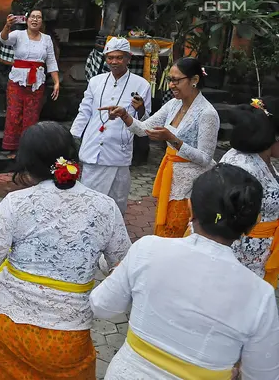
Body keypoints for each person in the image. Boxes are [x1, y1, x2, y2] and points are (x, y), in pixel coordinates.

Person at [0, 121, 132, 379]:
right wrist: (94, 259)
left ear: (28, 165)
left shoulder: (15, 202)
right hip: (66, 339)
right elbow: (122, 263)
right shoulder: (105, 207)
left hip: (9, 327)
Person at [91, 164, 279, 379]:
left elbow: (102, 306)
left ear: (190, 208)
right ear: (253, 223)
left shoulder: (148, 249)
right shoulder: (260, 295)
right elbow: (263, 374)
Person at [102, 57, 219, 237]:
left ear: (194, 80)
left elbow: (205, 158)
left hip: (192, 184)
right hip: (170, 178)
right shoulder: (174, 104)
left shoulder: (207, 113)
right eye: (170, 80)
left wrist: (173, 140)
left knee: (178, 231)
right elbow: (143, 129)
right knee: (164, 227)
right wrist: (125, 115)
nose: (171, 85)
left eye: (176, 80)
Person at [70, 37, 151, 215]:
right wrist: (73, 137)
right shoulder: (95, 81)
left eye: (119, 57)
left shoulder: (142, 84)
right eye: (110, 57)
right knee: (88, 200)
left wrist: (140, 109)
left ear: (129, 58)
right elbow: (84, 112)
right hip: (93, 147)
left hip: (118, 150)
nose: (114, 62)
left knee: (116, 201)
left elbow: (145, 122)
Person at [212, 100, 279, 286]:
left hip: (259, 252)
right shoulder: (241, 166)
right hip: (240, 255)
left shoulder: (261, 158)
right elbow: (224, 218)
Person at [0, 8, 60, 158]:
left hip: (37, 83)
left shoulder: (46, 39)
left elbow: (51, 61)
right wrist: (7, 26)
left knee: (31, 116)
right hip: (17, 80)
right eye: (32, 17)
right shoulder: (18, 35)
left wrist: (56, 82)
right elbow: (3, 39)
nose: (35, 20)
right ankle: (12, 148)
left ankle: (28, 149)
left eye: (38, 17)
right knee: (14, 114)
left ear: (42, 22)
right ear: (27, 20)